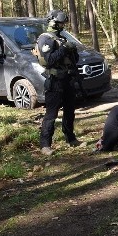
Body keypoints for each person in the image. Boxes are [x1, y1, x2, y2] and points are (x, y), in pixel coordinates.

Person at [36, 10, 82, 156]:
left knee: (69, 111)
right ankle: (45, 145)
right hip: (55, 82)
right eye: (61, 22)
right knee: (51, 114)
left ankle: (70, 138)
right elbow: (49, 60)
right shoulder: (45, 39)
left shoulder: (61, 38)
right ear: (53, 22)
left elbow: (75, 60)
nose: (63, 25)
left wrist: (73, 50)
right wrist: (63, 49)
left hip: (68, 80)